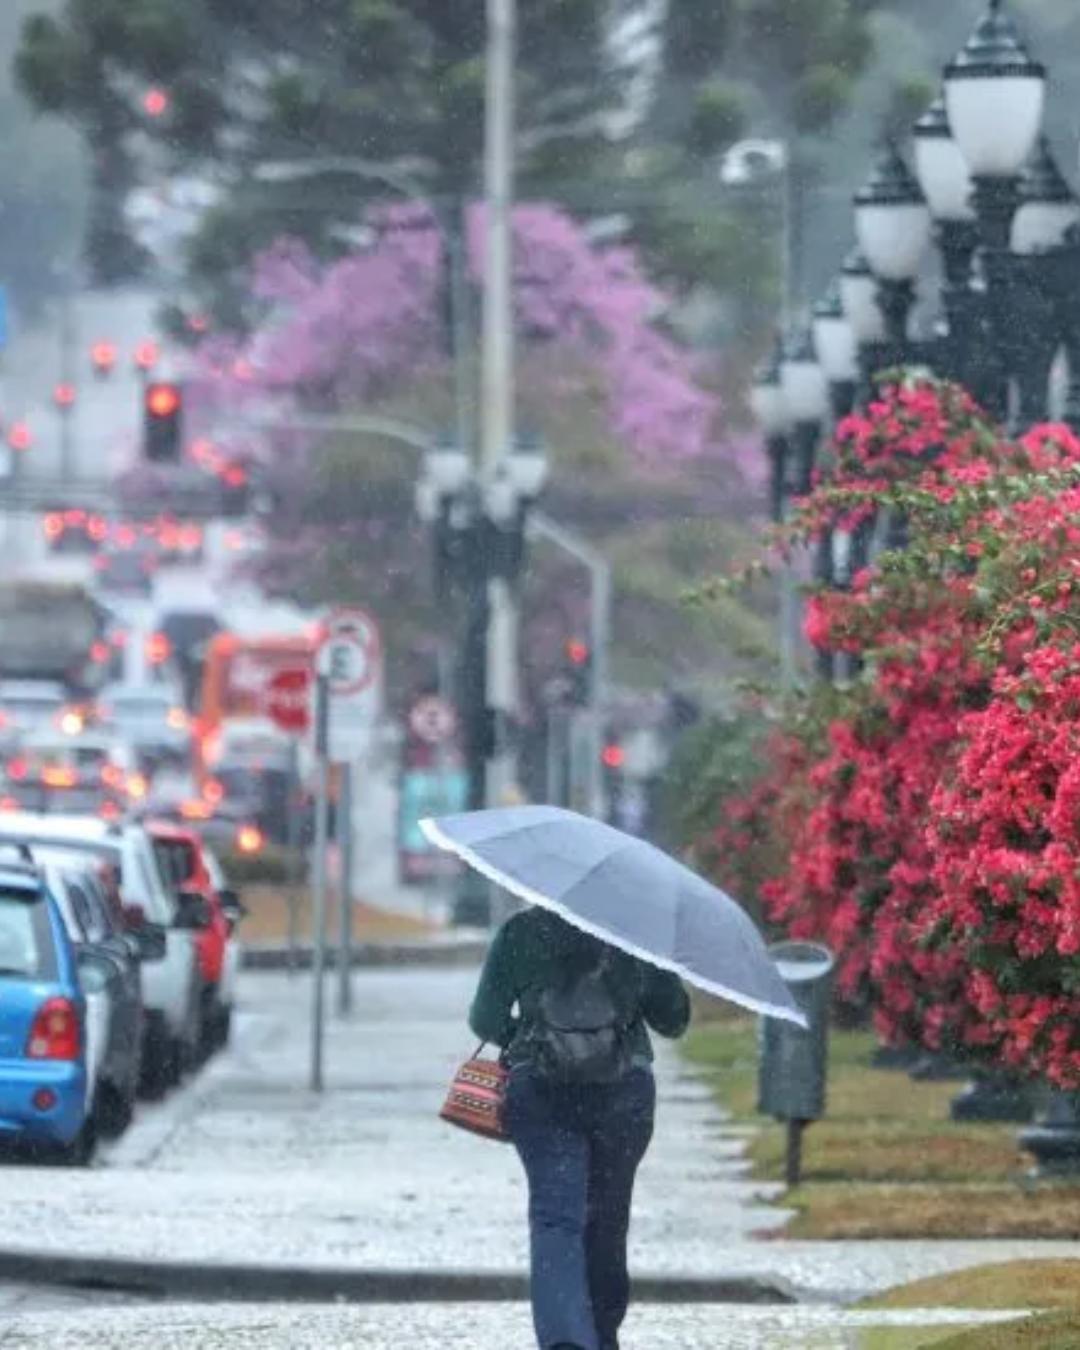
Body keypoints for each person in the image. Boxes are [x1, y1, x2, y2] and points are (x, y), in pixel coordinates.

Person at [469, 904, 691, 1350]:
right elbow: (673, 1020)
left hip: (541, 1093)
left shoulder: (521, 932)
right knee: (607, 1220)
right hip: (622, 1094)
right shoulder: (634, 929)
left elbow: (484, 1018)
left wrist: (529, 1040)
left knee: (556, 1218)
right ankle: (602, 1334)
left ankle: (566, 1339)